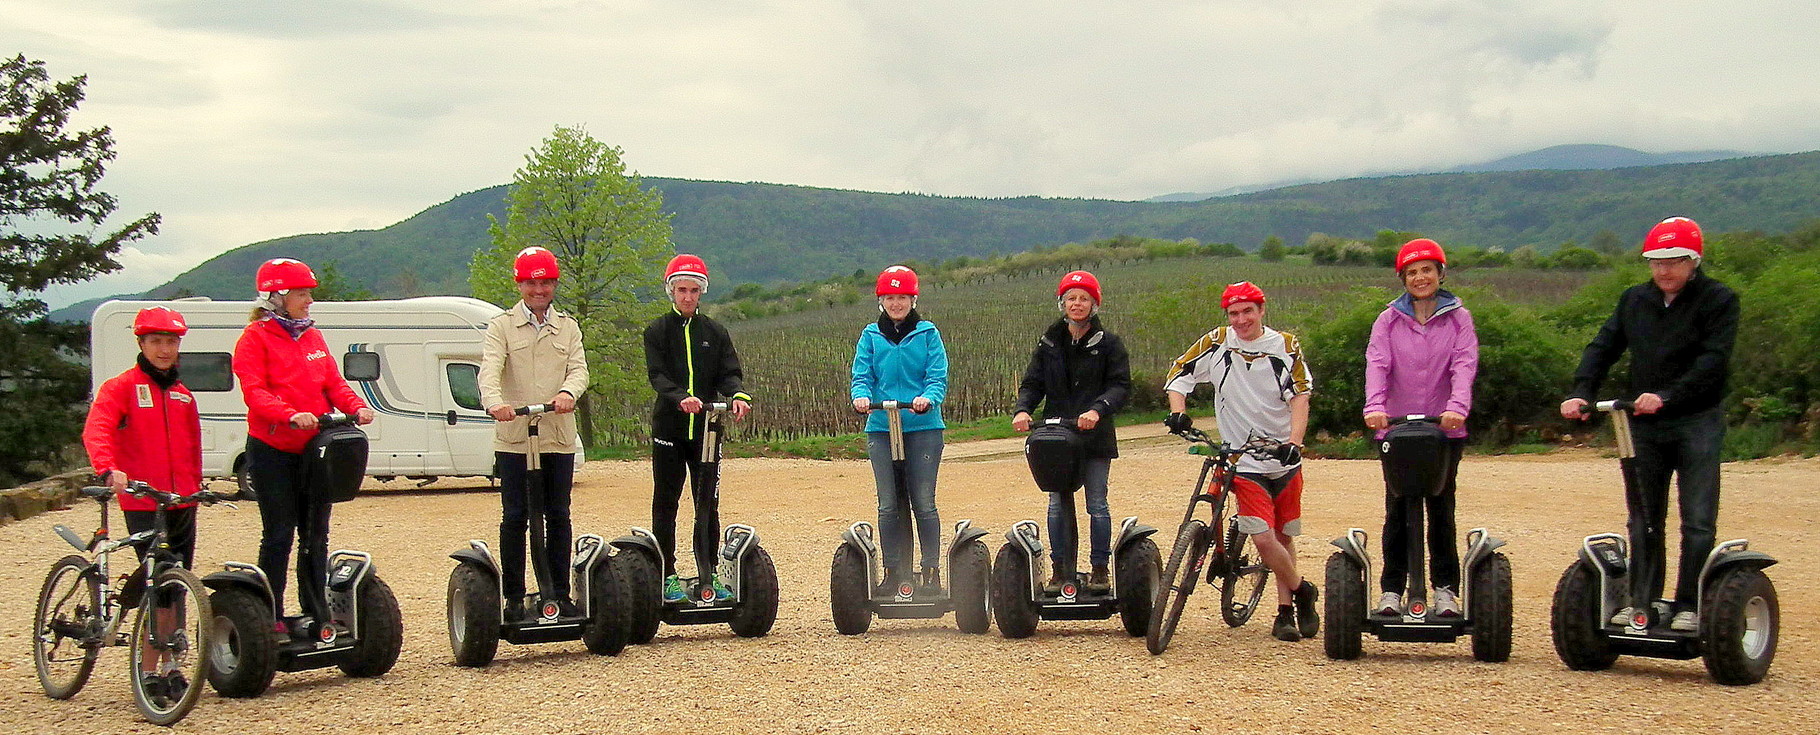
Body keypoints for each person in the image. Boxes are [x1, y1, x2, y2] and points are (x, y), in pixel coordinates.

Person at [1560, 216, 1739, 632]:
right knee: (1643, 517)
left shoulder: (1719, 300)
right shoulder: (1634, 300)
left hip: (1696, 420)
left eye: (1674, 261)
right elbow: (1603, 345)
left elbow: (1714, 361)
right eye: (1656, 262)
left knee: (1696, 519)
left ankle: (1689, 605)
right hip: (1645, 424)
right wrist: (1582, 390)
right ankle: (1645, 602)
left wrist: (1669, 395)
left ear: (1694, 260)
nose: (1664, 271)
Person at [1163, 281, 1319, 642]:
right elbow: (1179, 374)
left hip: (1282, 457)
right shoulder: (1218, 342)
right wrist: (1178, 412)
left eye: (1248, 311)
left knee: (1282, 534)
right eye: (1233, 313)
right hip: (1242, 460)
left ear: (1262, 310)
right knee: (1264, 539)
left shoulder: (1284, 345)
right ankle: (1302, 589)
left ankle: (1285, 611)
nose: (1241, 319)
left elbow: (1300, 397)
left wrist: (1294, 443)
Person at [234, 258, 375, 635]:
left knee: (316, 533)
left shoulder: (311, 336)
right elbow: (254, 392)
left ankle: (316, 609)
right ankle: (271, 614)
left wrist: (356, 406)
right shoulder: (254, 338)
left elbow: (332, 383)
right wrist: (288, 413)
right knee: (279, 532)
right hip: (272, 449)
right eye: (301, 293)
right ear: (277, 296)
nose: (309, 299)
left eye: (308, 292)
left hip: (316, 450)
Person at [83, 305, 205, 696]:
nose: (164, 349)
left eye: (171, 341)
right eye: (157, 341)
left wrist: (197, 489)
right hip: (142, 501)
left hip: (181, 501)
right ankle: (149, 669)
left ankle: (172, 664)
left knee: (175, 583)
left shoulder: (183, 396)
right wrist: (108, 469)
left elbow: (191, 450)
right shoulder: (120, 388)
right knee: (157, 582)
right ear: (141, 343)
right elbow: (98, 429)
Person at [1362, 239, 1479, 618]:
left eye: (1427, 270)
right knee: (1396, 509)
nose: (1420, 277)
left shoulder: (1458, 318)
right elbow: (1378, 364)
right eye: (1412, 272)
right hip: (1396, 430)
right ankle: (1392, 590)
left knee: (1441, 508)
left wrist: (1457, 408)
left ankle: (1445, 589)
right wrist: (1375, 407)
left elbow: (1464, 364)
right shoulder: (1388, 320)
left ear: (1441, 273)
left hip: (1443, 429)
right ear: (1403, 278)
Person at [479, 246, 589, 620]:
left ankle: (559, 591)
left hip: (556, 435)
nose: (538, 290)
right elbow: (490, 370)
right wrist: (495, 403)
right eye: (531, 283)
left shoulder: (568, 327)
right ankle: (513, 597)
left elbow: (579, 370)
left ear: (554, 284)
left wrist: (567, 393)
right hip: (514, 437)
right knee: (516, 515)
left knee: (558, 513)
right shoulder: (501, 326)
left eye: (545, 283)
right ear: (520, 284)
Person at [1012, 271, 1130, 593]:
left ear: (1094, 304)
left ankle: (1099, 567)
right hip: (1056, 437)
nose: (1077, 304)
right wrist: (1023, 409)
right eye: (1071, 298)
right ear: (1062, 303)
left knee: (1097, 503)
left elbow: (1120, 386)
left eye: (1084, 298)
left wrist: (1097, 410)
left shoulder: (1109, 344)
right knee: (1056, 503)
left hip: (1094, 436)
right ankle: (1060, 568)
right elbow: (1033, 382)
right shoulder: (1050, 342)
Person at [644, 254, 752, 602]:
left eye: (693, 290)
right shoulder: (657, 331)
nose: (687, 297)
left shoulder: (714, 333)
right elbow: (657, 376)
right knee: (667, 501)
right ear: (671, 291)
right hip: (670, 428)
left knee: (707, 502)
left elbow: (729, 372)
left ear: (701, 292)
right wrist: (680, 398)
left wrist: (736, 394)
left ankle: (709, 573)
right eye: (681, 290)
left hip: (707, 431)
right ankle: (667, 574)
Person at [850, 265, 950, 595]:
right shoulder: (871, 335)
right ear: (881, 300)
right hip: (881, 426)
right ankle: (893, 572)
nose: (896, 303)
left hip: (922, 426)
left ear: (913, 299)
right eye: (890, 297)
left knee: (923, 501)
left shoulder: (927, 333)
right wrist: (861, 396)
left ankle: (931, 573)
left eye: (902, 297)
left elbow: (937, 377)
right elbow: (861, 374)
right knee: (888, 504)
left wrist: (928, 398)